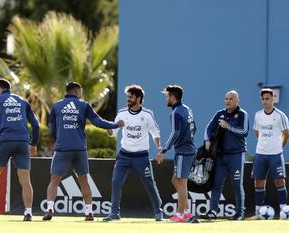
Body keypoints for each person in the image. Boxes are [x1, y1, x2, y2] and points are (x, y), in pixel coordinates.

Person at [42, 82, 124, 221]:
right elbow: (97, 121)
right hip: (79, 149)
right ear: (77, 92)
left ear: (66, 92)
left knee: (54, 180)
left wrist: (60, 138)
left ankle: (49, 209)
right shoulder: (83, 105)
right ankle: (89, 212)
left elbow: (52, 129)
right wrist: (115, 124)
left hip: (62, 148)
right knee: (84, 180)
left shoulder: (56, 106)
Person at [103, 84, 163, 222]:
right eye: (127, 96)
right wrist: (109, 127)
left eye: (131, 97)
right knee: (116, 182)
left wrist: (159, 150)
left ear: (139, 98)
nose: (128, 99)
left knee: (149, 184)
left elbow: (155, 133)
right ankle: (114, 214)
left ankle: (158, 212)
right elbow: (113, 134)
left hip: (142, 157)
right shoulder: (122, 114)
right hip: (124, 156)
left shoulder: (147, 115)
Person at [0, 78, 40, 221]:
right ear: (9, 88)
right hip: (22, 143)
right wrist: (33, 144)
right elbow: (36, 125)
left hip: (5, 142)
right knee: (25, 180)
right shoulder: (22, 101)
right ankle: (28, 213)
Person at [201, 90, 249, 221]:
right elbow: (208, 128)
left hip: (236, 155)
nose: (228, 101)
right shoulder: (219, 114)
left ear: (237, 101)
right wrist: (207, 140)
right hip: (221, 156)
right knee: (216, 184)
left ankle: (240, 213)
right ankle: (213, 211)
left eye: (231, 99)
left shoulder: (242, 114)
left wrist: (228, 127)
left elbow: (244, 131)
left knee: (237, 185)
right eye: (226, 99)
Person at [157, 85, 197, 222]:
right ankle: (187, 212)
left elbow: (175, 133)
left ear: (173, 97)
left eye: (167, 96)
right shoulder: (187, 109)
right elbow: (194, 128)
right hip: (188, 149)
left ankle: (180, 215)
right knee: (176, 180)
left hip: (184, 152)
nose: (166, 99)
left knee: (181, 182)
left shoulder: (176, 112)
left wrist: (164, 149)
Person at [250, 88, 289, 219]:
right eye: (263, 99)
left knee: (279, 181)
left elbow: (287, 134)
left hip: (276, 154)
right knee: (259, 182)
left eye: (267, 98)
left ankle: (284, 211)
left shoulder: (280, 116)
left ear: (273, 99)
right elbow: (257, 132)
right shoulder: (258, 115)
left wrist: (279, 146)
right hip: (260, 154)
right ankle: (257, 212)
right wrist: (264, 143)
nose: (265, 101)